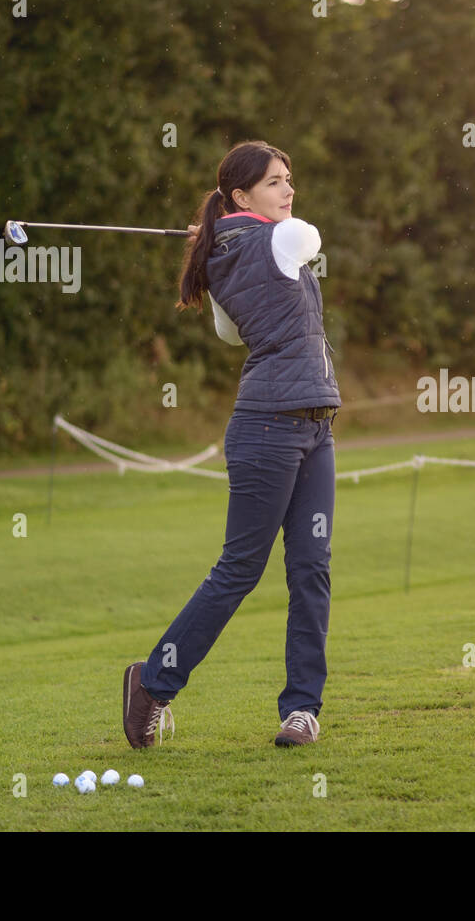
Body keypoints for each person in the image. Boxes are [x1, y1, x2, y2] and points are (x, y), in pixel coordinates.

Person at [122, 140, 340, 749]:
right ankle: (153, 682)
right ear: (241, 195)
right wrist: (239, 231)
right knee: (240, 568)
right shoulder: (285, 238)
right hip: (268, 427)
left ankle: (301, 710)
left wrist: (226, 232)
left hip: (316, 426)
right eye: (274, 182)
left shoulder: (235, 251)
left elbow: (227, 332)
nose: (289, 190)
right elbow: (309, 237)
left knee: (311, 569)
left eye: (289, 178)